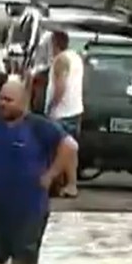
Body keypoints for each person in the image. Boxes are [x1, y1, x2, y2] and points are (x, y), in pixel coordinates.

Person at [0, 80, 77, 264]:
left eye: (9, 100)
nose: (2, 104)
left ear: (23, 103)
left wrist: (51, 175)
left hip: (30, 212)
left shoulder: (39, 126)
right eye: (1, 99)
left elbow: (70, 147)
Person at [45, 29, 86, 197]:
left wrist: (51, 106)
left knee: (58, 150)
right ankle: (71, 184)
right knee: (71, 149)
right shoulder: (76, 58)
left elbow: (60, 85)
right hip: (75, 109)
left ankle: (54, 182)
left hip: (62, 112)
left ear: (54, 44)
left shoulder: (61, 60)